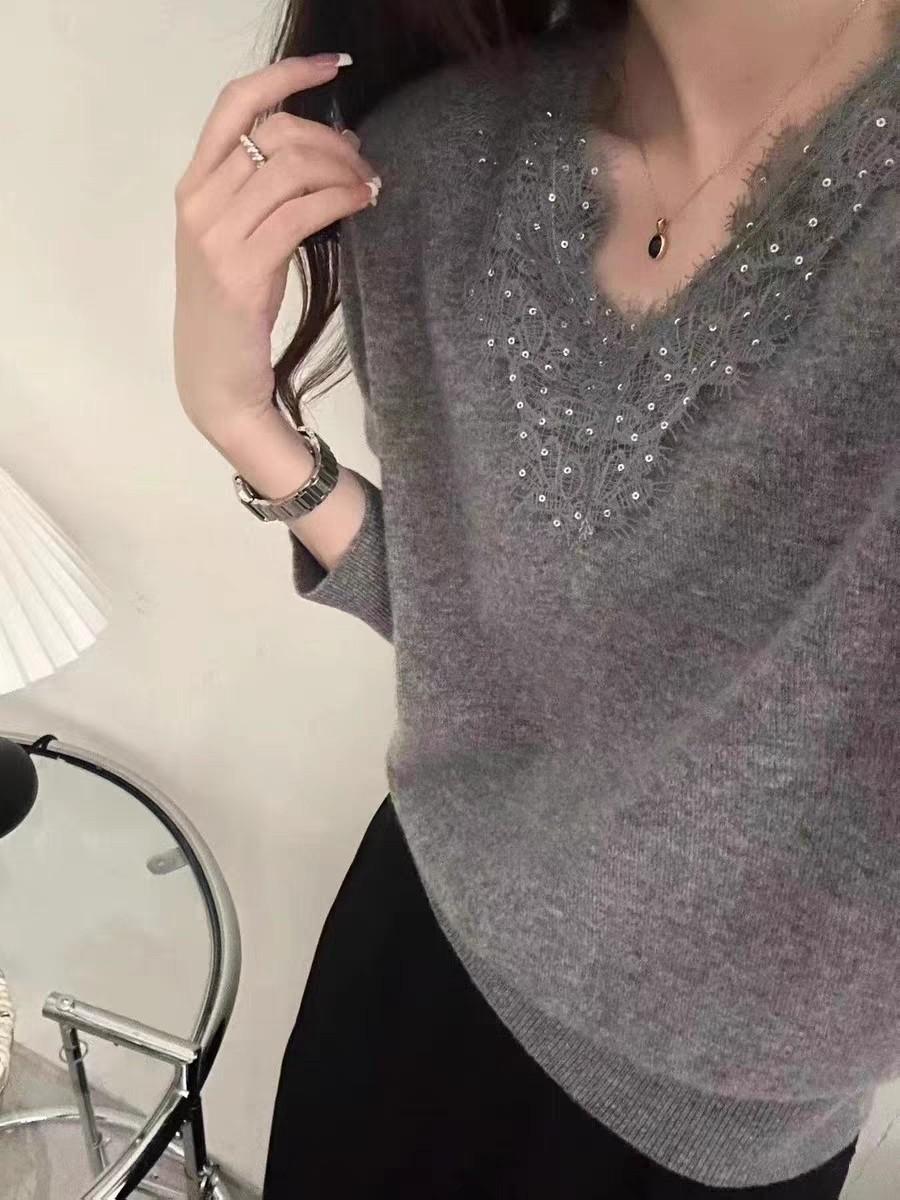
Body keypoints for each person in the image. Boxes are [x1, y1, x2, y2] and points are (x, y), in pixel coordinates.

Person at [173, 1, 900, 1196]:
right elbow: (481, 638)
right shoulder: (434, 162)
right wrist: (245, 422)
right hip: (413, 958)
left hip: (712, 1137)